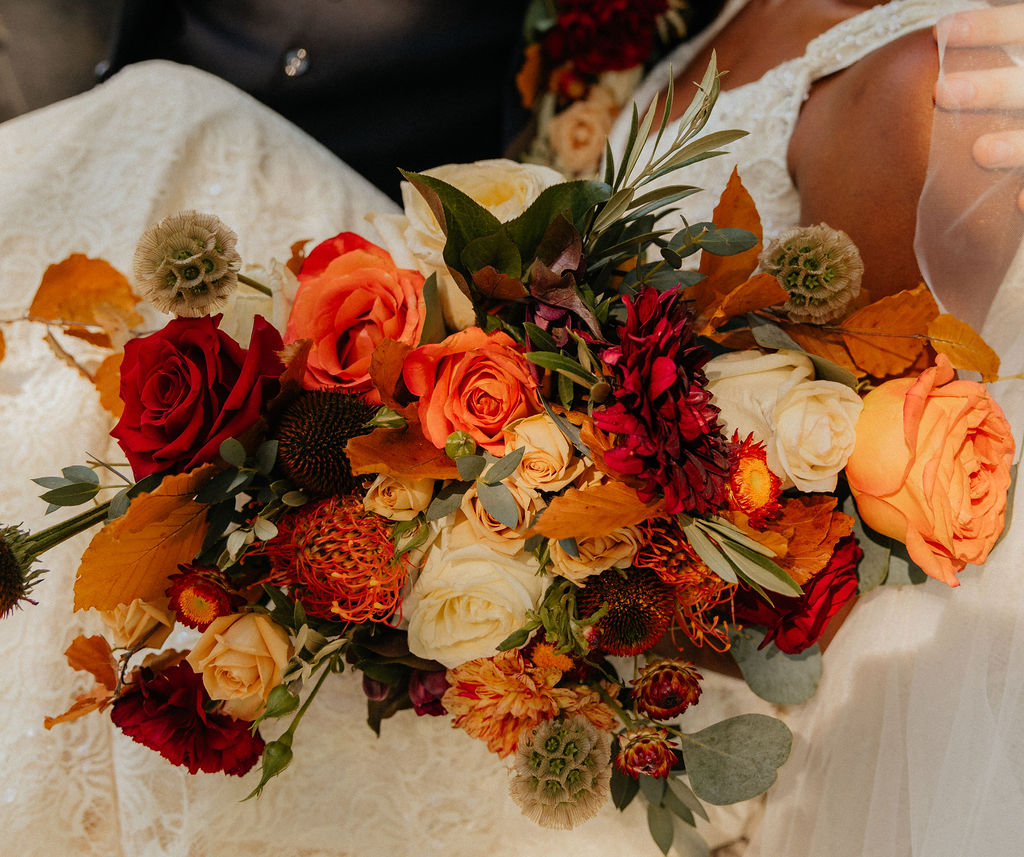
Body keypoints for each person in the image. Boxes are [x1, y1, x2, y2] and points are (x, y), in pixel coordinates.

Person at [606, 0, 1023, 854]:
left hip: (717, 682)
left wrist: (544, 581)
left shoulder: (931, 83)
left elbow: (832, 575)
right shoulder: (716, 14)